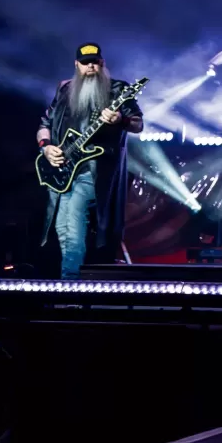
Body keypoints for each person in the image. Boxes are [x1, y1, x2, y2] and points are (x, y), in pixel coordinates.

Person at [36, 44, 143, 278]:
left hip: (93, 170)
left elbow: (138, 124)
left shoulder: (118, 89)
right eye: (85, 63)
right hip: (64, 167)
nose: (91, 66)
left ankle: (70, 283)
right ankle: (69, 279)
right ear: (77, 65)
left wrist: (120, 119)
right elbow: (45, 124)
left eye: (95, 61)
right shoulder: (65, 89)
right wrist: (46, 147)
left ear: (102, 63)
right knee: (62, 226)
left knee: (74, 221)